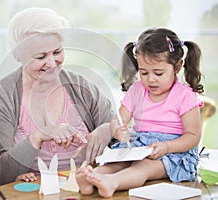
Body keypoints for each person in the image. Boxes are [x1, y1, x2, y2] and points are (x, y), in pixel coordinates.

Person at [0, 7, 114, 185]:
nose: (52, 63)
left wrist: (108, 130)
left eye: (57, 52)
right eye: (41, 56)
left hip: (85, 189)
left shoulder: (81, 87)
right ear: (17, 55)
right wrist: (37, 137)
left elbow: (126, 131)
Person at [76, 28, 204, 197]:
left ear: (177, 66)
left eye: (158, 73)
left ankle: (112, 183)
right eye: (144, 72)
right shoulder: (136, 91)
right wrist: (117, 130)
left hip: (173, 153)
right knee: (116, 164)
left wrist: (166, 147)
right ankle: (92, 178)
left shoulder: (185, 95)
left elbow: (193, 136)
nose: (150, 79)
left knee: (143, 167)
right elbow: (118, 120)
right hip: (139, 147)